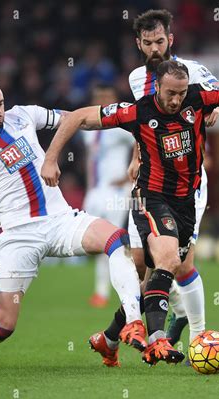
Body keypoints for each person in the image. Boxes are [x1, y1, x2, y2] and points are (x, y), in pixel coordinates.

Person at [41, 60, 219, 365]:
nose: (176, 99)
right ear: (157, 87)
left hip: (185, 202)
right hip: (149, 197)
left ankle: (108, 339)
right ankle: (158, 340)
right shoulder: (137, 112)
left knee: (155, 276)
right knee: (166, 260)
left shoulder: (198, 98)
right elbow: (80, 116)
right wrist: (51, 158)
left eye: (181, 92)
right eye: (171, 93)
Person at [0, 75, 146, 368]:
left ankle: (132, 322)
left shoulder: (24, 115)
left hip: (61, 220)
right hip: (18, 236)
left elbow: (75, 119)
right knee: (3, 326)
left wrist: (128, 120)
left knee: (116, 239)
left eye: (1, 102)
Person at [96, 10, 219, 361]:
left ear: (170, 39)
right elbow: (145, 120)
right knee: (144, 264)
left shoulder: (191, 71)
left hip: (188, 182)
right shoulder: (135, 79)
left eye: (161, 40)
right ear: (138, 44)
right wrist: (135, 156)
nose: (155, 47)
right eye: (148, 42)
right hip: (151, 181)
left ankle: (198, 337)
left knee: (179, 263)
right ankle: (114, 336)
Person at [82, 85, 135, 308]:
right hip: (96, 191)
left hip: (116, 191)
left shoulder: (120, 126)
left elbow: (141, 142)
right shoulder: (90, 128)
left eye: (106, 97)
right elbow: (89, 159)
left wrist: (128, 177)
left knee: (111, 243)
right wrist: (89, 185)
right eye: (98, 97)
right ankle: (110, 289)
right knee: (93, 242)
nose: (102, 101)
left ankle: (111, 293)